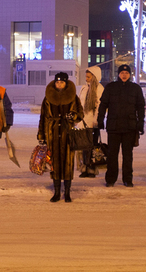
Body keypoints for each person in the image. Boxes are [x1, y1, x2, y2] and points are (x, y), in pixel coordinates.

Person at [38, 72, 84, 202]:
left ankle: (68, 192)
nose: (59, 84)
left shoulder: (73, 97)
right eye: (57, 82)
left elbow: (81, 114)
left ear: (66, 83)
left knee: (68, 163)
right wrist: (41, 135)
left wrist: (73, 116)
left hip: (68, 134)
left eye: (62, 82)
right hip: (52, 134)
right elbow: (42, 118)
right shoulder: (47, 98)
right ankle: (57, 191)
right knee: (55, 163)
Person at [97, 64, 145, 187]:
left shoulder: (135, 88)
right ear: (118, 74)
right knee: (112, 155)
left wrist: (140, 122)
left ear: (130, 75)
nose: (124, 75)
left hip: (130, 127)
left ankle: (128, 179)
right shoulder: (111, 87)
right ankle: (111, 179)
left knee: (128, 156)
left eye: (126, 73)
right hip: (114, 126)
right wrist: (100, 119)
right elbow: (103, 104)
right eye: (122, 73)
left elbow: (140, 107)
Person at [77, 66, 105, 178]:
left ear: (94, 77)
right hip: (82, 123)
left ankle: (91, 168)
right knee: (83, 147)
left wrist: (96, 121)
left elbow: (100, 107)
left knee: (92, 147)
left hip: (92, 123)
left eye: (88, 76)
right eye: (86, 76)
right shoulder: (84, 88)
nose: (86, 78)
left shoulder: (99, 89)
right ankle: (84, 168)